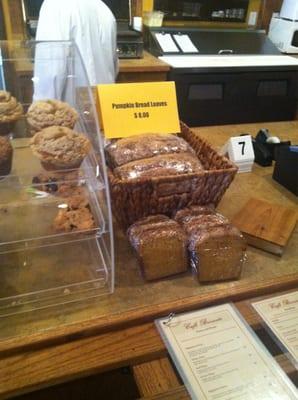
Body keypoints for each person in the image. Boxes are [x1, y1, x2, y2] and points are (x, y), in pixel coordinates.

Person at [33, 0, 118, 100]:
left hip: (71, 111)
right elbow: (113, 67)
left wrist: (41, 109)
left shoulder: (55, 5)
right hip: (105, 106)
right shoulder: (104, 9)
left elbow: (50, 74)